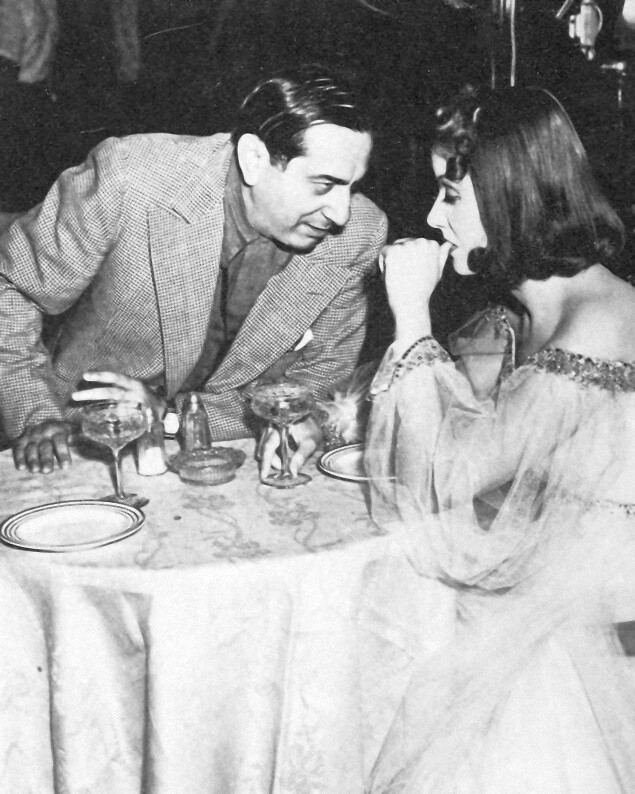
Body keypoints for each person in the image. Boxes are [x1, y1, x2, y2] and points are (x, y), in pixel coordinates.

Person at [365, 85, 635, 792]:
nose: (433, 216)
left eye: (450, 195)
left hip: (599, 619)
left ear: (510, 193)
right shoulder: (538, 305)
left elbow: (444, 480)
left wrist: (410, 319)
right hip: (562, 584)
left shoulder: (594, 325)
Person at [0, 66, 387, 477]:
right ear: (254, 159)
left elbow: (317, 379)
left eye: (353, 187)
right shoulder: (130, 178)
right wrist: (36, 414)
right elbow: (10, 288)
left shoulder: (359, 234)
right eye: (324, 185)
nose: (341, 214)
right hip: (86, 443)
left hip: (236, 448)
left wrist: (171, 417)